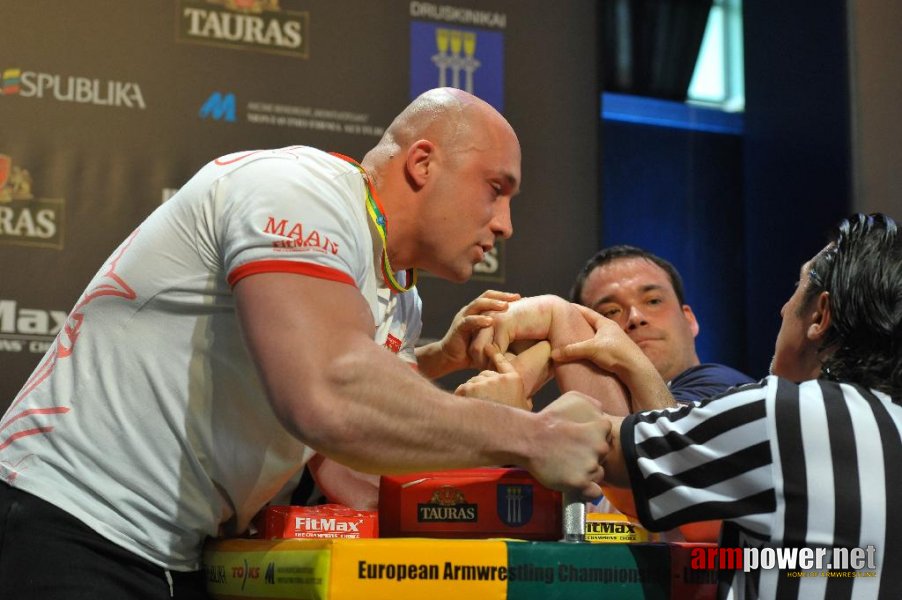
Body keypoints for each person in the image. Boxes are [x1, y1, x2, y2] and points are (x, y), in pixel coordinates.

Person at [0, 88, 618, 599]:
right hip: (62, 517)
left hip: (171, 553)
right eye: (496, 187)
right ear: (424, 162)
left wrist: (439, 362)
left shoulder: (402, 297)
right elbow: (328, 395)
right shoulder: (301, 190)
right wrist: (534, 436)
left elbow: (352, 463)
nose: (506, 223)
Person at [554, 213, 901, 598]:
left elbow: (608, 454)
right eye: (609, 313)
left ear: (819, 315)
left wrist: (558, 325)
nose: (783, 309)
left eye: (796, 289)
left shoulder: (777, 412)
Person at [570, 244, 755, 406]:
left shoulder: (727, 388)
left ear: (689, 320)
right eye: (611, 311)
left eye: (653, 301)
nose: (635, 317)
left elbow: (666, 432)